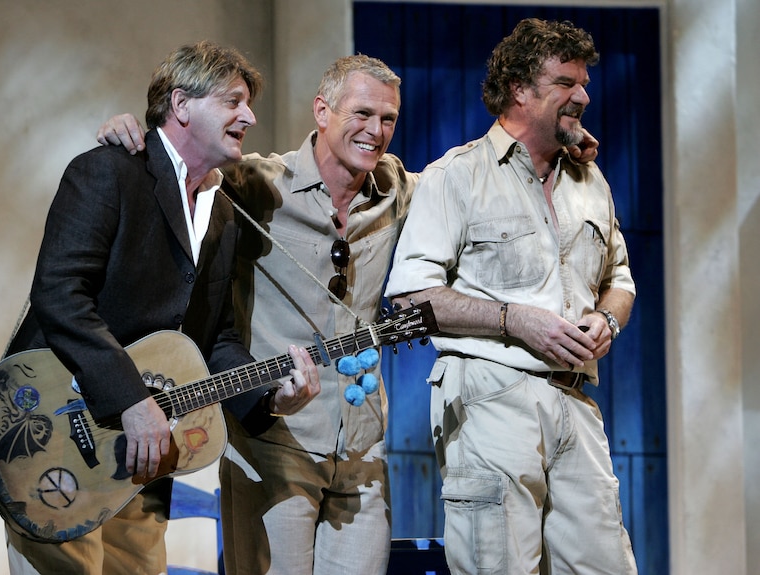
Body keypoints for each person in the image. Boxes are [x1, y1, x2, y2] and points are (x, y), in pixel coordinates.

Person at [97, 54, 601, 574]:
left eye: (388, 119)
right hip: (275, 442)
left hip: (362, 450)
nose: (375, 130)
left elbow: (472, 183)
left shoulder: (401, 191)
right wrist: (128, 135)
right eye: (361, 114)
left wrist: (544, 156)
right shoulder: (252, 184)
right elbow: (179, 162)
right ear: (322, 110)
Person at [4, 41, 320, 575]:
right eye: (233, 101)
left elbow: (212, 340)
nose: (250, 116)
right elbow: (60, 294)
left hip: (141, 461)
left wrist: (269, 397)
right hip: (56, 432)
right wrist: (131, 400)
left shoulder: (222, 214)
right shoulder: (109, 172)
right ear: (181, 105)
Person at [384, 18, 638, 574]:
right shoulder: (457, 175)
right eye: (567, 83)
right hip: (489, 396)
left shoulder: (590, 180)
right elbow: (409, 300)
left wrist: (607, 321)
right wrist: (515, 321)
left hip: (576, 404)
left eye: (584, 82)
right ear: (520, 89)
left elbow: (620, 279)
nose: (584, 95)